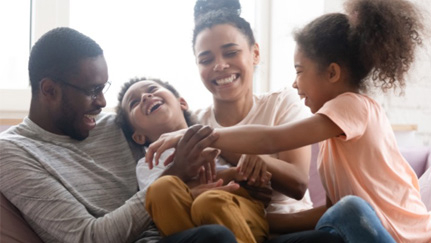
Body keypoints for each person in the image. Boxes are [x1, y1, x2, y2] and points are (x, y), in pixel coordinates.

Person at [147, 0, 431, 241]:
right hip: (363, 231)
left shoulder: (354, 106)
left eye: (299, 71)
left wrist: (196, 136)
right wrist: (257, 224)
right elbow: (325, 213)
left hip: (407, 235)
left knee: (350, 209)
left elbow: (273, 138)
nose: (295, 84)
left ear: (332, 73)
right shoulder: (332, 148)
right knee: (343, 212)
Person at [0, 27, 237, 243]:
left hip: (177, 230)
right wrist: (175, 174)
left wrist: (245, 169)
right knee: (214, 238)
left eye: (103, 88)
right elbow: (87, 237)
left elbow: (179, 129)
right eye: (92, 91)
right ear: (49, 90)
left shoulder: (114, 124)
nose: (102, 102)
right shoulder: (13, 152)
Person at [115, 77, 272, 243]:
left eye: (152, 90)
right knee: (161, 188)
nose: (145, 97)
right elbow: (162, 204)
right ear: (139, 137)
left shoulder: (216, 138)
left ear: (182, 103)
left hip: (239, 212)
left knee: (209, 201)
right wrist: (227, 176)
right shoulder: (147, 163)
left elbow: (250, 177)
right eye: (134, 103)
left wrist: (249, 168)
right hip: (191, 223)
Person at [192, 0, 313, 215]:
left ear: (255, 53)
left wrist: (257, 159)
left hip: (292, 228)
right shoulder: (193, 122)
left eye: (230, 53)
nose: (219, 65)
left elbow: (298, 184)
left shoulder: (283, 102)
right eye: (206, 59)